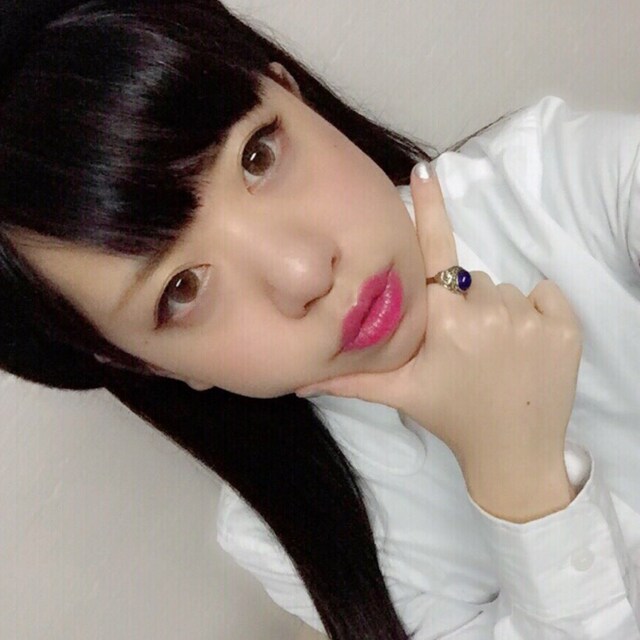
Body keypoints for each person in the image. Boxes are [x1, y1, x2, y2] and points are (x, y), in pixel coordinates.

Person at [1, 1, 639, 638]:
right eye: (182, 289)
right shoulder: (286, 541)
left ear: (290, 93)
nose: (305, 272)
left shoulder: (557, 183)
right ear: (143, 363)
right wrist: (522, 486)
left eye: (257, 157)